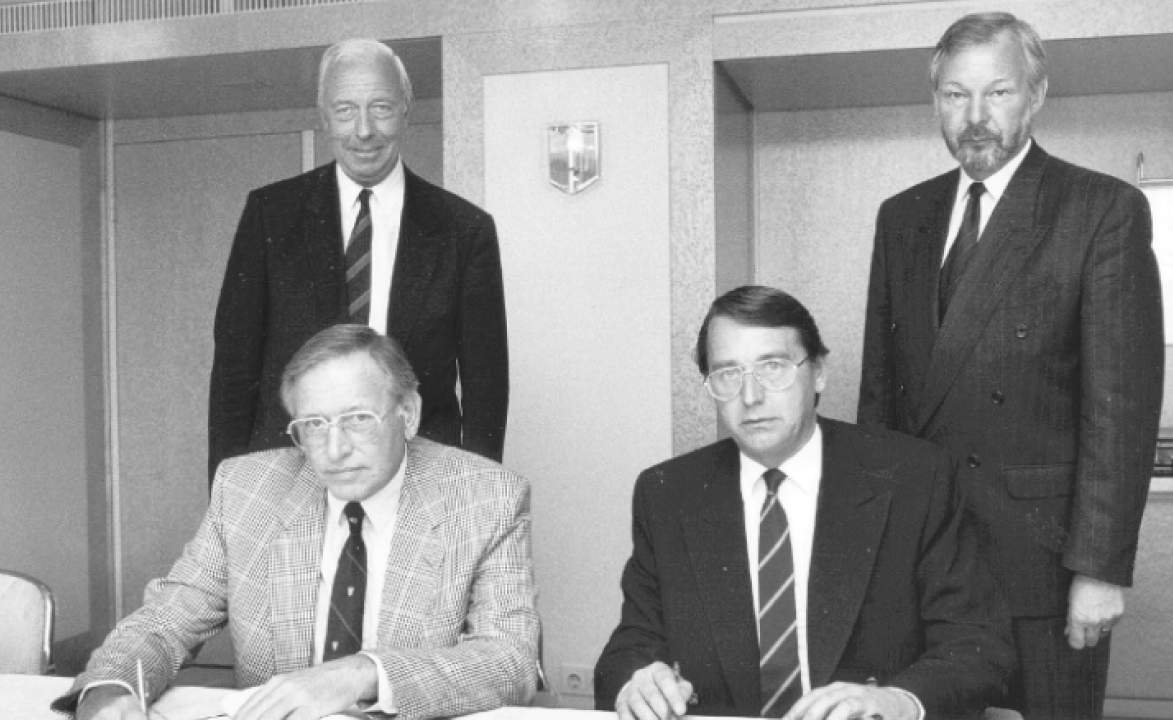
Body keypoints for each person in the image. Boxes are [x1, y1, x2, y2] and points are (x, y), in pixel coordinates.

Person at [857, 12, 1164, 719]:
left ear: (1036, 96)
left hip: (1044, 568)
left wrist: (1100, 570)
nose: (975, 117)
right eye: (955, 95)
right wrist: (874, 546)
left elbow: (1121, 410)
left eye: (997, 93)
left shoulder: (1100, 210)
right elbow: (881, 399)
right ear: (935, 102)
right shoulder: (900, 217)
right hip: (925, 562)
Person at [57, 325, 538, 720]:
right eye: (313, 425)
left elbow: (509, 660)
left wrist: (362, 673)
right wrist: (108, 687)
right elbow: (167, 620)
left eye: (357, 419)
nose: (334, 450)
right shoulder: (247, 488)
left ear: (408, 414)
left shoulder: (485, 497)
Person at [595, 286, 1014, 720]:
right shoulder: (668, 493)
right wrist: (637, 681)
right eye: (727, 374)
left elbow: (979, 648)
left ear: (817, 373)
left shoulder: (915, 478)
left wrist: (898, 701)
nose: (751, 396)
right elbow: (628, 649)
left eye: (772, 367)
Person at [209, 38, 508, 483]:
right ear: (324, 116)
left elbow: (486, 388)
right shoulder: (270, 215)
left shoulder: (464, 230)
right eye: (346, 110)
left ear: (407, 110)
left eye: (381, 107)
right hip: (293, 474)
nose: (363, 129)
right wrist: (226, 495)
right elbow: (235, 372)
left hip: (418, 476)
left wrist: (477, 493)